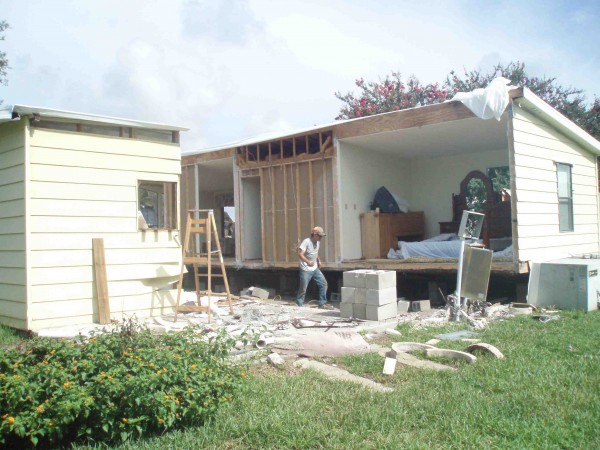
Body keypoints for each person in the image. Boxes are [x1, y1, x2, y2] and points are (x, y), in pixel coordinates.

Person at [296, 226, 333, 309]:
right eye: (319, 236)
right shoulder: (306, 242)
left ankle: (322, 303)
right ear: (314, 234)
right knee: (303, 287)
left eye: (321, 236)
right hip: (305, 268)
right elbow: (300, 254)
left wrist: (319, 260)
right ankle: (299, 304)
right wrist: (308, 262)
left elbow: (315, 253)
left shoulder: (317, 242)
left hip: (314, 268)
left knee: (323, 284)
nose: (321, 238)